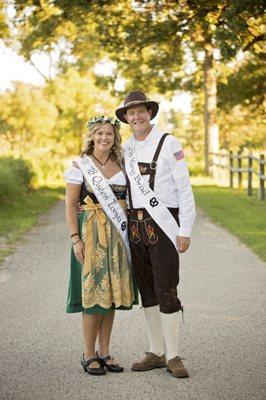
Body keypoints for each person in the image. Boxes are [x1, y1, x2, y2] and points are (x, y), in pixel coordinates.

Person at [115, 90, 196, 378]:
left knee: (167, 288)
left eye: (141, 111)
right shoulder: (126, 148)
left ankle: (173, 355)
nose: (136, 116)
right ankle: (155, 351)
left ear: (149, 113)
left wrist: (185, 229)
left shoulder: (169, 142)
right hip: (135, 227)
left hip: (164, 225)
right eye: (131, 113)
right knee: (147, 290)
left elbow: (184, 189)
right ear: (126, 118)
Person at [64, 115, 137, 376]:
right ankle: (88, 353)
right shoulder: (79, 166)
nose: (104, 138)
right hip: (91, 235)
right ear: (92, 137)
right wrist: (75, 239)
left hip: (117, 237)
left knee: (110, 296)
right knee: (94, 295)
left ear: (115, 137)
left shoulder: (124, 165)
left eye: (109, 133)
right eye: (99, 133)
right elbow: (71, 206)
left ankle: (104, 351)